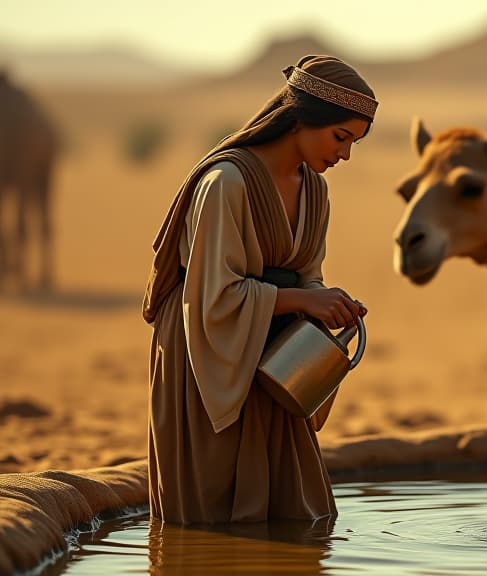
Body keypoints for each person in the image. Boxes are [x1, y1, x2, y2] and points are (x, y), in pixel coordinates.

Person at [142, 55, 375, 524]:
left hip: (277, 356)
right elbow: (214, 298)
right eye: (340, 137)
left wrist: (328, 305)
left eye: (353, 142)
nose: (345, 155)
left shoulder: (316, 190)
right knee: (216, 513)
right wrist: (305, 300)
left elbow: (308, 272)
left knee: (298, 510)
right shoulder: (225, 183)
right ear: (304, 118)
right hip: (208, 352)